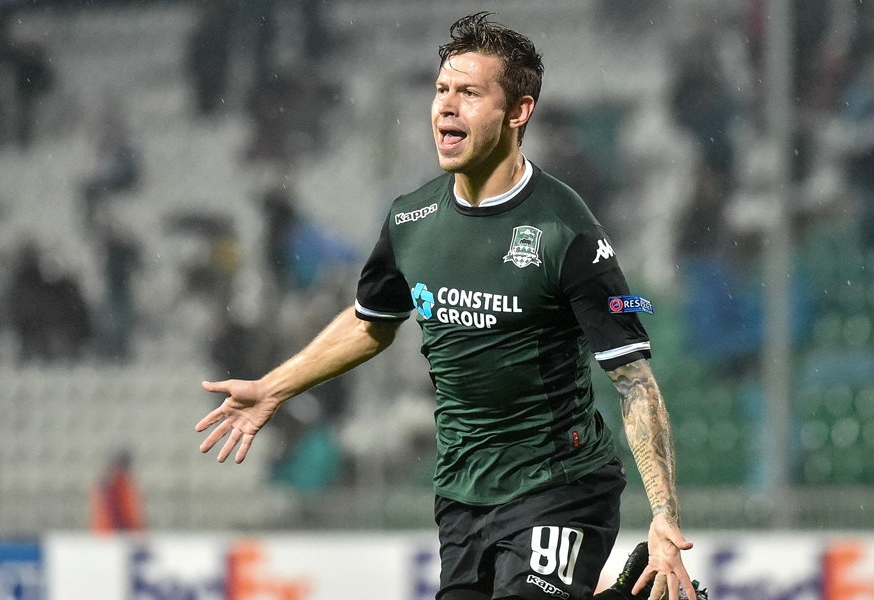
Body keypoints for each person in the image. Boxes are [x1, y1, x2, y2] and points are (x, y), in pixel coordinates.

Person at [197, 13, 699, 600]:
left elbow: (633, 379)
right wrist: (274, 387)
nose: (446, 107)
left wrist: (663, 515)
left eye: (470, 93)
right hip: (462, 493)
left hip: (560, 485)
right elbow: (370, 324)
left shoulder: (566, 230)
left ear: (519, 112)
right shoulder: (411, 220)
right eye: (441, 90)